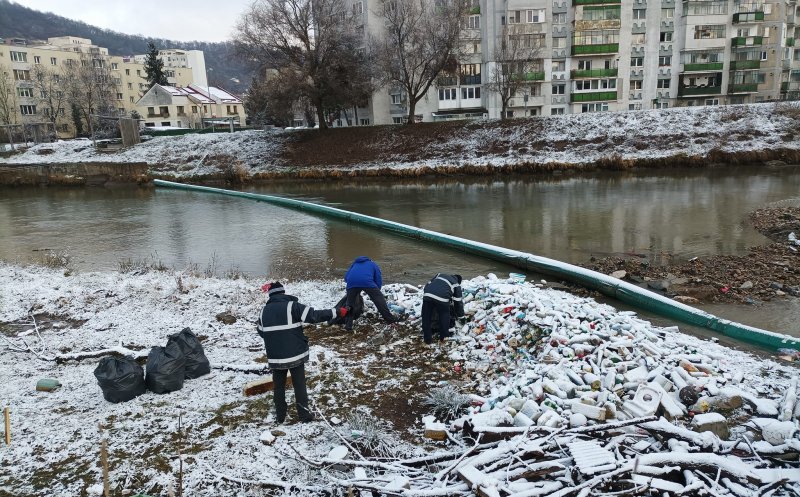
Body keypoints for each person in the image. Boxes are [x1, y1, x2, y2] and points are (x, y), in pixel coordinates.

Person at [257, 282, 348, 423]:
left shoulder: (263, 311)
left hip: (275, 357)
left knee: (278, 386)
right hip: (295, 353)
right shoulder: (292, 306)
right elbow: (314, 316)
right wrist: (337, 312)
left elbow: (262, 332)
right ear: (283, 293)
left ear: (271, 295)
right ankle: (304, 415)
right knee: (299, 384)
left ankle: (280, 416)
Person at [343, 256, 400, 331]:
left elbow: (346, 278)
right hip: (367, 283)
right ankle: (390, 320)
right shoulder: (373, 264)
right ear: (369, 259)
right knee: (380, 301)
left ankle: (348, 325)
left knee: (350, 305)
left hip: (351, 284)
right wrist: (377, 292)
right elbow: (378, 278)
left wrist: (354, 286)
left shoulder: (354, 264)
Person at [421, 273, 465, 344]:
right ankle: (444, 338)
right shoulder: (456, 284)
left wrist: (429, 295)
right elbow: (458, 304)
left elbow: (428, 284)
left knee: (426, 316)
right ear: (459, 281)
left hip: (427, 294)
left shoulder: (439, 275)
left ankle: (427, 339)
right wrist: (461, 317)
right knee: (444, 315)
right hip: (442, 299)